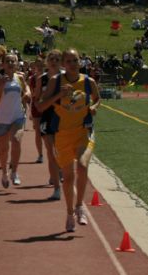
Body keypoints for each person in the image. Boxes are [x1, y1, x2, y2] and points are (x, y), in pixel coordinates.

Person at [39, 48, 101, 232]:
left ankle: (80, 206)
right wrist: (59, 95)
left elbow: (98, 99)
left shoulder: (88, 82)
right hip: (62, 135)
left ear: (80, 61)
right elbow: (41, 106)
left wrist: (95, 107)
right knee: (68, 177)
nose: (73, 64)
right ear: (63, 64)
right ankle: (68, 213)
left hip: (84, 131)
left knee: (82, 166)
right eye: (69, 61)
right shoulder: (55, 82)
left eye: (76, 60)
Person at [0, 51, 31, 189]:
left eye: (14, 61)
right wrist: (1, 84)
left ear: (17, 64)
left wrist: (28, 93)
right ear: (3, 64)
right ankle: (4, 173)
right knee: (3, 150)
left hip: (17, 117)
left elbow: (26, 89)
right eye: (8, 61)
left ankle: (15, 172)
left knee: (17, 141)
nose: (11, 63)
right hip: (1, 119)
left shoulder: (20, 78)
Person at [34, 49, 64, 201]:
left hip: (63, 118)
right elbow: (37, 99)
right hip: (47, 116)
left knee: (60, 151)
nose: (53, 61)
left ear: (61, 62)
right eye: (51, 58)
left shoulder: (67, 78)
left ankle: (58, 171)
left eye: (57, 59)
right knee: (51, 152)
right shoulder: (43, 78)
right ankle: (57, 189)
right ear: (47, 61)